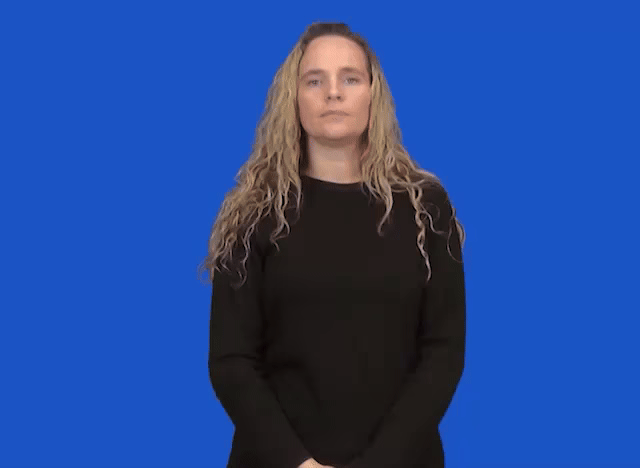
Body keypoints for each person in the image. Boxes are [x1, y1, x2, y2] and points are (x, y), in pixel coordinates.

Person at [199, 21, 466, 468]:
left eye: (350, 78)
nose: (333, 93)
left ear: (373, 95)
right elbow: (232, 360)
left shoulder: (427, 208)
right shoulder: (253, 212)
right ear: (294, 98)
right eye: (315, 80)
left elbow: (444, 350)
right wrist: (298, 464)